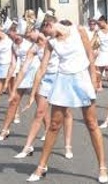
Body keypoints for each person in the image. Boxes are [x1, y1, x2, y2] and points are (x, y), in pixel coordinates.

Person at [26, 11, 108, 183]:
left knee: (91, 123)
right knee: (55, 125)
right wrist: (34, 92)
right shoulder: (51, 43)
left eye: (45, 31)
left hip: (81, 79)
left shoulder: (78, 31)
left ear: (49, 25)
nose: (45, 36)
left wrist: (93, 78)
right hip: (63, 81)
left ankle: (102, 167)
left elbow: (90, 55)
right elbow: (42, 68)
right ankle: (41, 166)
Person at [13, 13, 74, 160]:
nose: (27, 39)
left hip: (61, 78)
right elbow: (24, 69)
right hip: (46, 80)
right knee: (39, 113)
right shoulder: (34, 48)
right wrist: (18, 89)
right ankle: (27, 147)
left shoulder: (54, 40)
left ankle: (67, 145)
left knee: (65, 113)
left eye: (28, 35)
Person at [0, 17, 40, 141]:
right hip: (23, 74)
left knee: (40, 104)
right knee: (14, 101)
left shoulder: (30, 42)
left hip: (35, 73)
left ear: (16, 31)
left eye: (10, 32)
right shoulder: (14, 46)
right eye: (8, 33)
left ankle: (47, 130)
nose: (9, 35)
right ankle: (4, 130)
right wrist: (8, 81)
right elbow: (13, 64)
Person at [91, 13, 108, 93]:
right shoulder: (98, 32)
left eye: (98, 23)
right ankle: (93, 96)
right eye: (96, 23)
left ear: (103, 21)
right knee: (96, 76)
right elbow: (91, 43)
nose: (97, 25)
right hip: (102, 54)